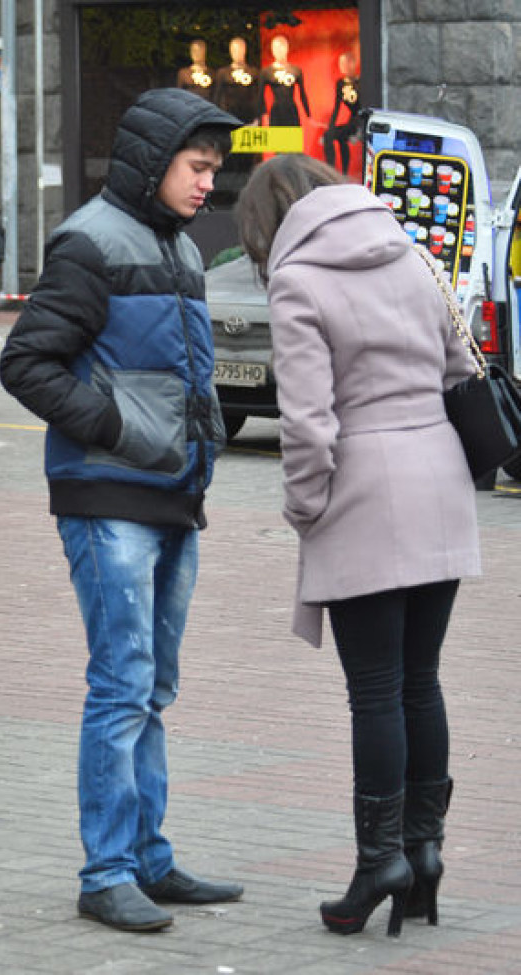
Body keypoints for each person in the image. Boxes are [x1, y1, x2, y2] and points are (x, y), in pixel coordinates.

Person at [0, 88, 244, 933]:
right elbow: (26, 363)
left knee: (153, 686)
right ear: (153, 162)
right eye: (199, 167)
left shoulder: (176, 246)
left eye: (214, 170)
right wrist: (113, 427)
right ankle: (106, 871)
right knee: (123, 684)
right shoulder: (91, 242)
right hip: (111, 499)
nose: (210, 183)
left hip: (173, 497)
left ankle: (148, 858)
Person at [235, 154, 479, 937]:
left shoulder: (298, 279)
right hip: (440, 484)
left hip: (365, 496)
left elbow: (308, 423)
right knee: (421, 681)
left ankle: (380, 862)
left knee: (374, 692)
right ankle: (424, 849)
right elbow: (457, 368)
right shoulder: (412, 255)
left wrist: (305, 510)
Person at [322, 53, 362, 174]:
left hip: (360, 120)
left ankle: (344, 171)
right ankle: (332, 170)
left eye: (345, 63)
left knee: (343, 134)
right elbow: (337, 108)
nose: (342, 67)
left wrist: (360, 130)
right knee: (330, 135)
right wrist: (331, 126)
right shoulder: (341, 83)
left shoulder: (361, 82)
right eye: (341, 64)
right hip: (352, 120)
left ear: (353, 64)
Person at [262, 35, 310, 126]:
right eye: (275, 48)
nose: (278, 51)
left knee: (292, 139)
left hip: (291, 111)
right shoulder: (266, 72)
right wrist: (264, 115)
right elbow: (260, 95)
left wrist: (309, 115)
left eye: (281, 48)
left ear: (286, 49)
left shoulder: (296, 70)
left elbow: (302, 94)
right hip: (276, 112)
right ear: (272, 50)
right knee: (277, 139)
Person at [214, 36, 260, 124]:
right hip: (229, 115)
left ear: (244, 50)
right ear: (230, 51)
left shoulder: (253, 72)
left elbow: (257, 94)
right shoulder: (223, 72)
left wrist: (258, 116)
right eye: (234, 50)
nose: (237, 53)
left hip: (249, 116)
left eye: (240, 50)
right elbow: (217, 95)